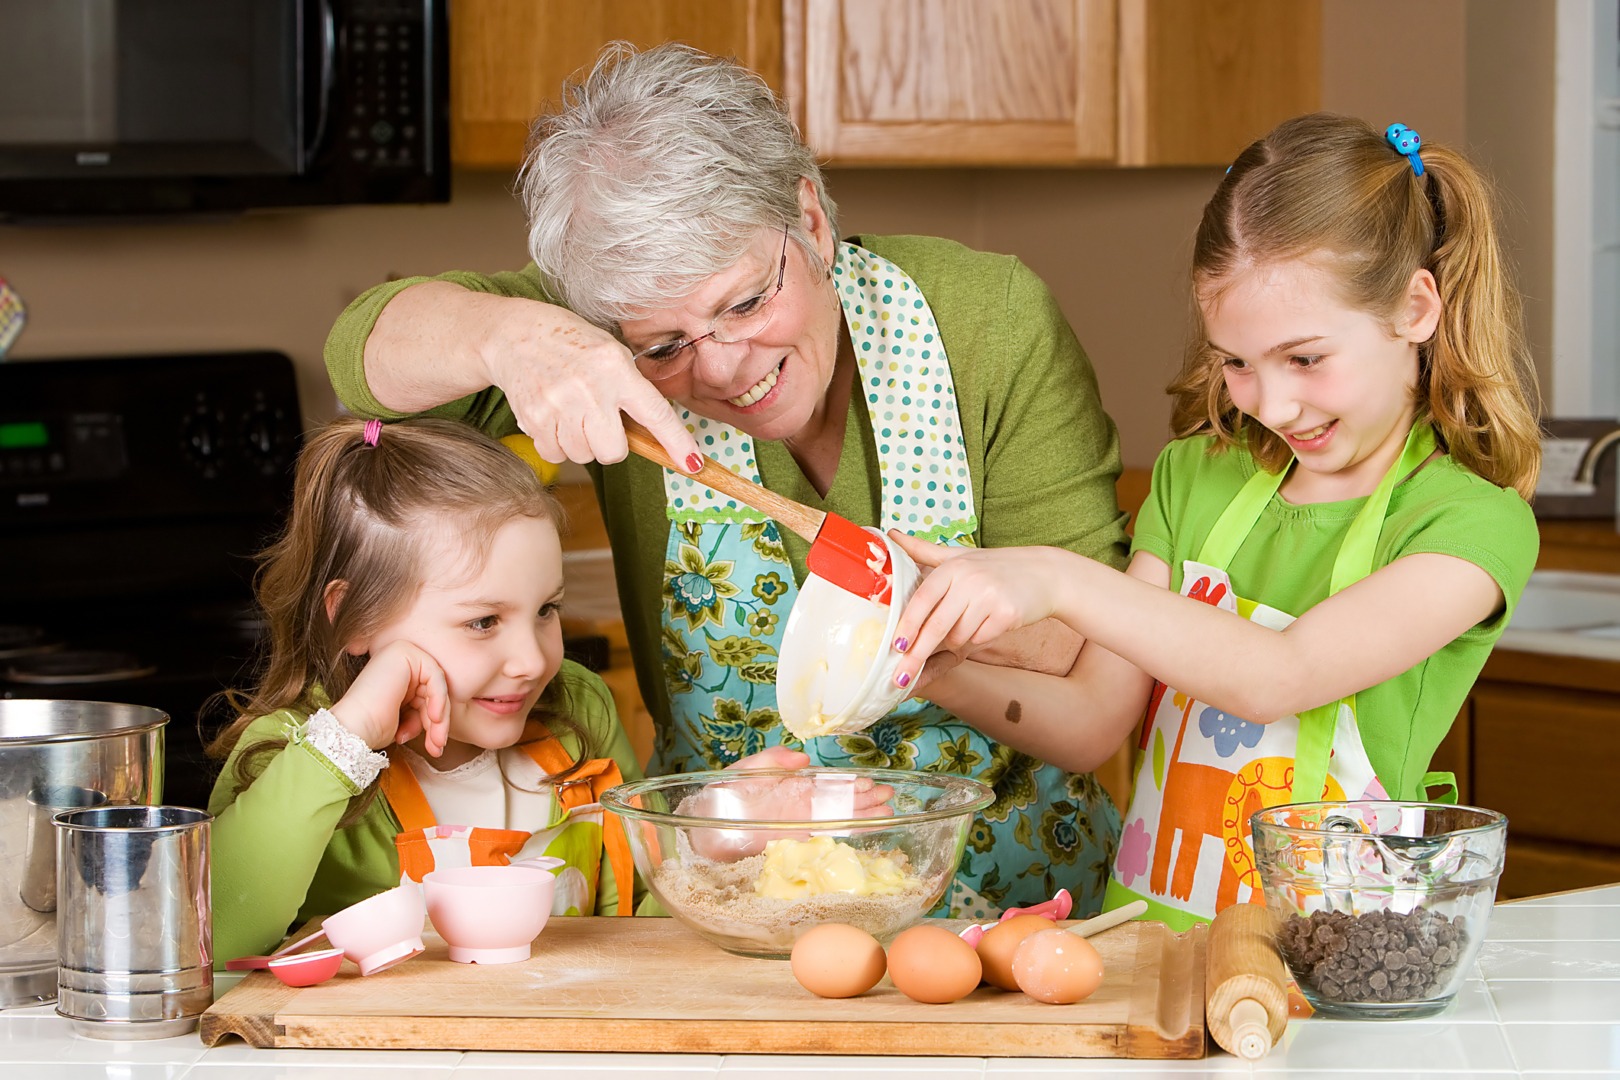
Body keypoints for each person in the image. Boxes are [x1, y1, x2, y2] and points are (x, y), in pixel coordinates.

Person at [324, 42, 1129, 918]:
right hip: (728, 922)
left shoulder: (988, 323)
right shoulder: (606, 350)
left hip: (1022, 914)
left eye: (745, 303)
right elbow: (358, 355)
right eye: (667, 346)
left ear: (811, 223)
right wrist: (515, 341)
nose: (723, 368)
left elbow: (1072, 641)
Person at [886, 114, 1542, 930]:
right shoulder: (1196, 480)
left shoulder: (1471, 525)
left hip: (1333, 965)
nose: (1272, 404)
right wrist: (928, 663)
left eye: (1305, 358)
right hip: (1150, 950)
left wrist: (1054, 579)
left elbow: (1278, 678)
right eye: (1237, 362)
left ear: (1415, 308)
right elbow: (1093, 723)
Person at [206, 417, 813, 964]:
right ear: (355, 619)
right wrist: (346, 739)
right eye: (483, 622)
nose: (531, 660)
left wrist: (705, 832)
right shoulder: (295, 753)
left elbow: (637, 926)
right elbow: (214, 942)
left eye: (546, 609)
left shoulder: (576, 711)